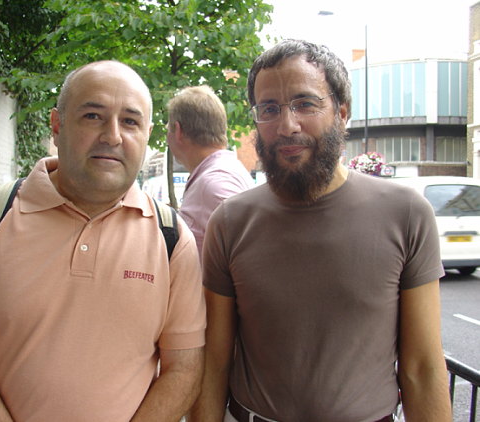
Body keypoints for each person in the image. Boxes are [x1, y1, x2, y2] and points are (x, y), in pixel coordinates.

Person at [189, 40, 452, 422]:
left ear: (342, 112)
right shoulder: (229, 223)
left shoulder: (407, 214)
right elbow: (213, 364)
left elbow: (424, 369)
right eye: (269, 109)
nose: (286, 125)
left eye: (305, 104)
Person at [0, 60, 206, 422]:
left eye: (130, 121)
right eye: (93, 116)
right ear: (57, 125)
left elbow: (183, 370)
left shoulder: (172, 238)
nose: (112, 136)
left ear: (147, 134)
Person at [166, 85, 254, 259]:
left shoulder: (213, 184)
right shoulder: (223, 171)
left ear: (178, 131)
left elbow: (253, 252)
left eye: (168, 129)